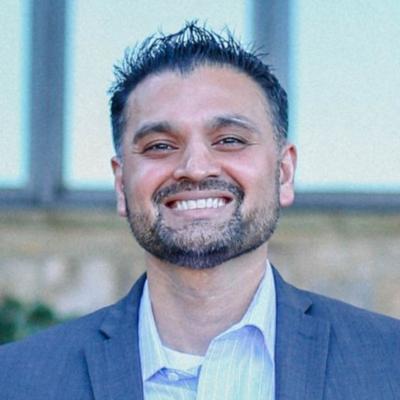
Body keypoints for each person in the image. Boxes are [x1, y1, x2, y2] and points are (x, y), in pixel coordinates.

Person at [0, 22, 399, 400]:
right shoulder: (16, 380)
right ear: (122, 185)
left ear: (284, 172)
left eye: (229, 140)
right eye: (160, 145)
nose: (195, 168)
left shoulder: (389, 363)